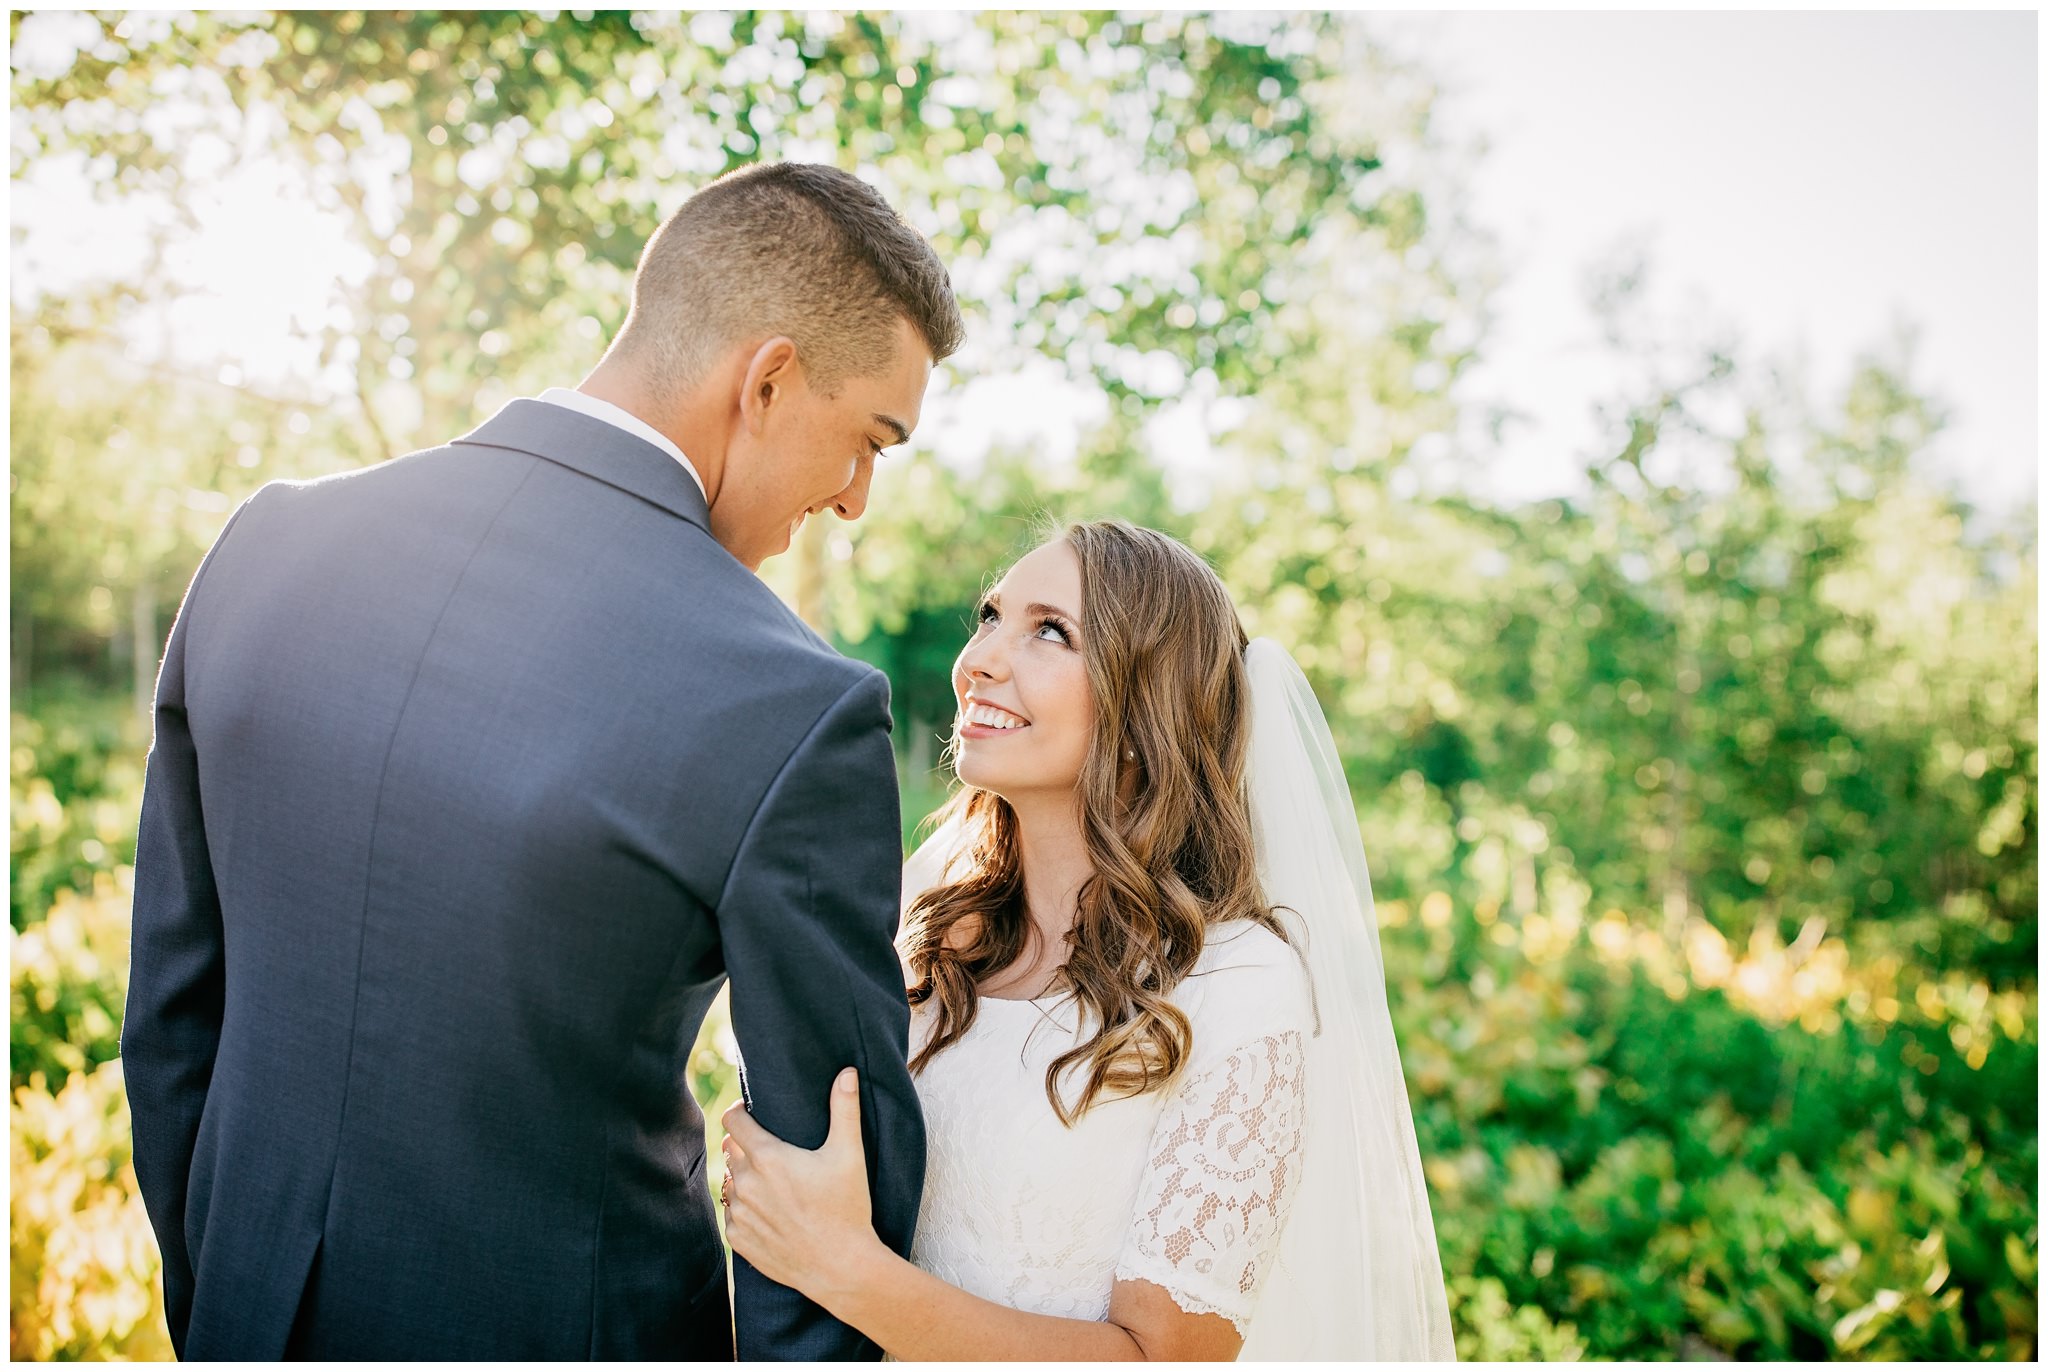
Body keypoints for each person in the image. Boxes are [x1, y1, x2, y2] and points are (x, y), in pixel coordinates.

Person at [122, 162, 961, 1360]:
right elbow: (828, 1185)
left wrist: (227, 1302)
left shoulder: (267, 548)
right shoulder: (794, 703)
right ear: (768, 379)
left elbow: (170, 1024)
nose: (855, 500)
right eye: (868, 440)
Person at [720, 520, 1457, 1360]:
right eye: (991, 616)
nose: (981, 659)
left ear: (1148, 712)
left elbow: (1162, 1358)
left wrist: (844, 1272)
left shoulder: (1235, 980)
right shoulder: (928, 925)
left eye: (1049, 632)